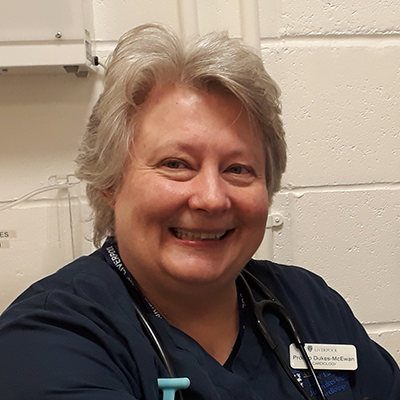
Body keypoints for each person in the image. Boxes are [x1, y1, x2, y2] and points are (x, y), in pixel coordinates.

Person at [0, 23, 399, 400]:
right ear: (110, 182)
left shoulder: (308, 303)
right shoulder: (46, 341)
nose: (211, 198)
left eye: (238, 169)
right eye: (176, 164)